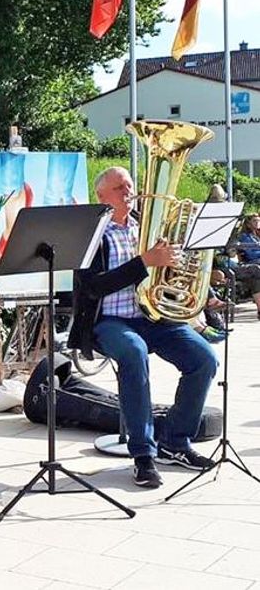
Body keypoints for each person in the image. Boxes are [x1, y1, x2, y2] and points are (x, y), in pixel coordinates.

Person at [68, 166, 217, 488]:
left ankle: (175, 441)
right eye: (119, 188)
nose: (128, 192)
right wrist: (145, 262)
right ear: (101, 196)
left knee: (204, 359)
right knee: (134, 353)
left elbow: (167, 271)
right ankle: (143, 455)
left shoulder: (148, 227)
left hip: (153, 316)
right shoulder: (92, 233)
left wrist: (175, 265)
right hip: (109, 321)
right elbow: (92, 287)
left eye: (129, 185)